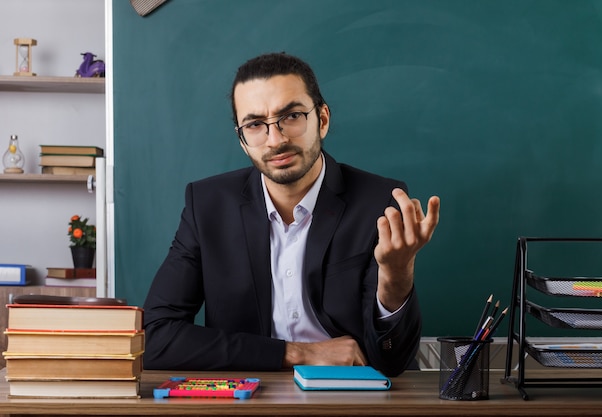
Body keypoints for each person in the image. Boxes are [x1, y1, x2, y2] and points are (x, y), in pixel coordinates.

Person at [143, 52, 440, 377]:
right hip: (250, 398)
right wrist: (297, 353)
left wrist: (396, 278)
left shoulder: (378, 203)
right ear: (242, 140)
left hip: (353, 399)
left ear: (322, 120)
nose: (276, 139)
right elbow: (156, 338)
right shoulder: (207, 206)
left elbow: (393, 363)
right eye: (255, 125)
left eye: (292, 116)